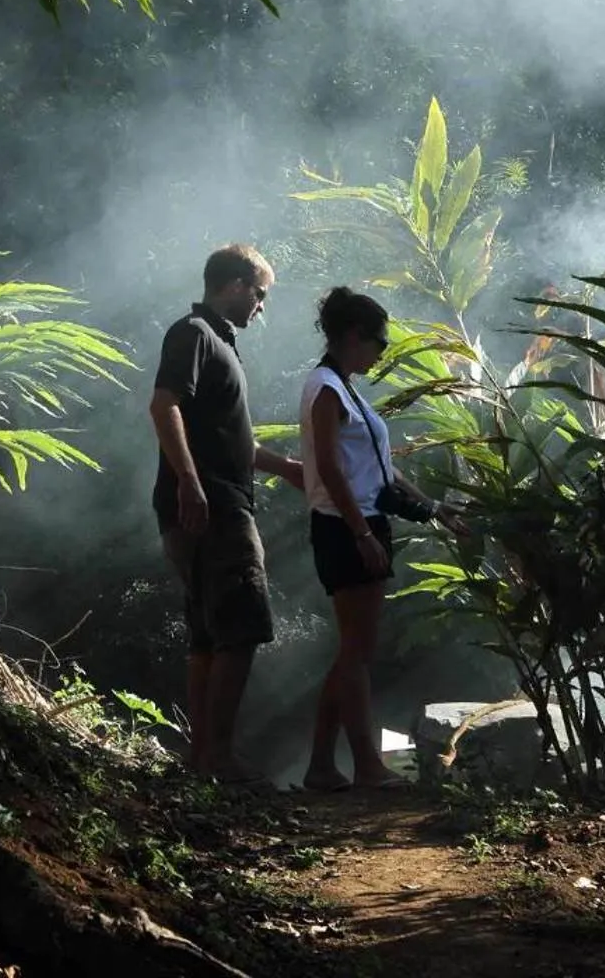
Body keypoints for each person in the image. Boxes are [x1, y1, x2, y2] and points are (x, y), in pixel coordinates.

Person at [147, 243, 303, 784]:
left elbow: (233, 441)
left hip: (211, 501)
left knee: (209, 633)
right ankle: (217, 756)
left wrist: (287, 468)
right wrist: (190, 484)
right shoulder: (194, 334)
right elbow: (163, 404)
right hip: (213, 506)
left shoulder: (219, 344)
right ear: (235, 285)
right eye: (259, 293)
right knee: (241, 625)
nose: (261, 305)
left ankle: (202, 758)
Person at [298, 286, 440, 792]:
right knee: (356, 651)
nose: (382, 353)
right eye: (380, 342)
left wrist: (433, 508)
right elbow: (329, 466)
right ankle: (366, 766)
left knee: (354, 650)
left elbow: (381, 468)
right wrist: (360, 531)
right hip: (345, 525)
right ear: (355, 336)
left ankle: (322, 765)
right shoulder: (327, 388)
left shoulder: (345, 387)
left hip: (362, 521)